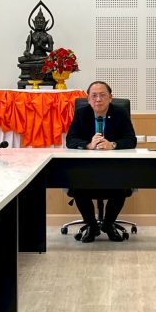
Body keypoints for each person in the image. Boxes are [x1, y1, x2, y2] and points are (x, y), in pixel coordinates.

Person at [65, 80, 138, 243]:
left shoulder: (120, 113)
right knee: (78, 187)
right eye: (94, 96)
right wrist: (88, 145)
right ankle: (92, 226)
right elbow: (70, 140)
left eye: (103, 95)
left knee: (121, 186)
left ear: (110, 97)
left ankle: (108, 224)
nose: (98, 99)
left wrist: (113, 145)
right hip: (86, 169)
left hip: (114, 168)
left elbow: (131, 140)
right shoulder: (82, 113)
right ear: (88, 99)